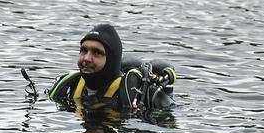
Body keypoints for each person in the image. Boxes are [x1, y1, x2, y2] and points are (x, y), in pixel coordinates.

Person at [47, 23, 177, 113]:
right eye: (83, 50)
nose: (86, 58)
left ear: (111, 60)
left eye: (97, 53)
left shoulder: (139, 93)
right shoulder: (71, 88)